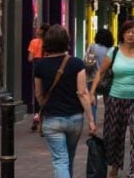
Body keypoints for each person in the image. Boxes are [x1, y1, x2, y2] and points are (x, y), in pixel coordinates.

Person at [89, 20, 134, 178]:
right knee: (114, 135)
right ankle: (114, 167)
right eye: (128, 31)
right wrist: (92, 92)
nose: (131, 34)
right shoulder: (114, 52)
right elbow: (100, 72)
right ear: (122, 34)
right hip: (115, 98)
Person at [34, 25, 94, 178]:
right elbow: (82, 93)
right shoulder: (76, 63)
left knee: (60, 159)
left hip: (52, 119)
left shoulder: (40, 65)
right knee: (69, 156)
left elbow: (39, 93)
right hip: (75, 119)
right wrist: (91, 120)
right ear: (66, 41)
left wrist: (46, 107)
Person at [84, 28, 114, 122]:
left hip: (92, 78)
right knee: (108, 103)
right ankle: (109, 121)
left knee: (92, 101)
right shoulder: (112, 50)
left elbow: (86, 61)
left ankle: (92, 122)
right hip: (107, 80)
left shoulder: (92, 47)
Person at [28, 23, 50, 131]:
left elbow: (30, 58)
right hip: (47, 67)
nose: (36, 30)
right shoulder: (49, 43)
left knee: (37, 92)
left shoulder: (34, 42)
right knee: (47, 92)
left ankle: (37, 114)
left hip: (37, 67)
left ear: (41, 31)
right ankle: (45, 115)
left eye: (39, 28)